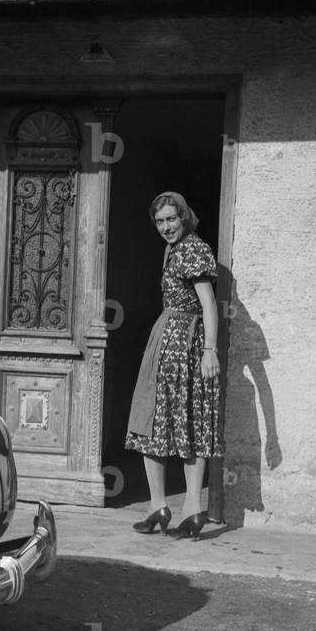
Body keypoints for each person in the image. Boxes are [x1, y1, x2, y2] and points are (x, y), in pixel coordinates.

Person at [125, 191, 222, 540]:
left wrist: (209, 350)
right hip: (166, 341)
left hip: (186, 343)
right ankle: (159, 505)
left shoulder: (194, 249)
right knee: (154, 419)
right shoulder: (173, 250)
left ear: (184, 217)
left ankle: (191, 507)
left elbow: (208, 304)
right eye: (160, 221)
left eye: (171, 219)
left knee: (187, 422)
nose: (166, 226)